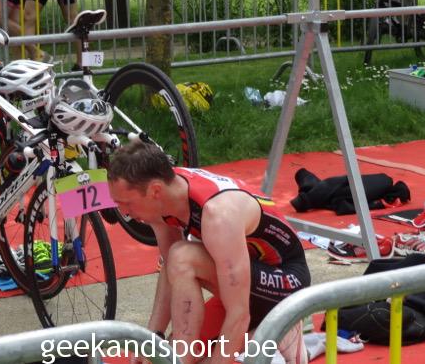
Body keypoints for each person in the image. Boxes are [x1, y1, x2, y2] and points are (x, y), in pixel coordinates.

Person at [107, 142, 311, 364]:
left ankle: (282, 330)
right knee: (172, 356)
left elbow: (239, 313)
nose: (124, 213)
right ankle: (259, 335)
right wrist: (151, 340)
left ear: (155, 191)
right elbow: (170, 272)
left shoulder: (218, 216)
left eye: (126, 203)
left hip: (286, 282)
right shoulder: (162, 195)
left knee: (183, 256)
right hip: (246, 279)